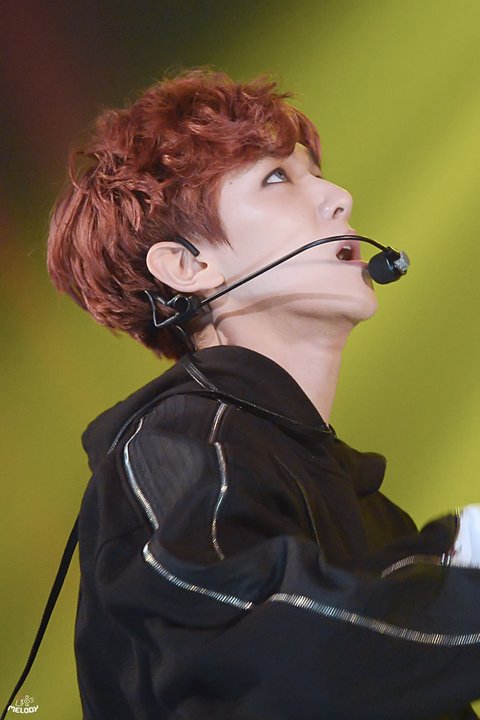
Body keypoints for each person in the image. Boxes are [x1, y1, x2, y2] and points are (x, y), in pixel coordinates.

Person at [47, 69, 480, 720]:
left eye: (313, 173)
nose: (338, 196)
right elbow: (278, 651)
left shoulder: (343, 492)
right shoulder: (175, 450)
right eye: (277, 178)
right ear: (188, 266)